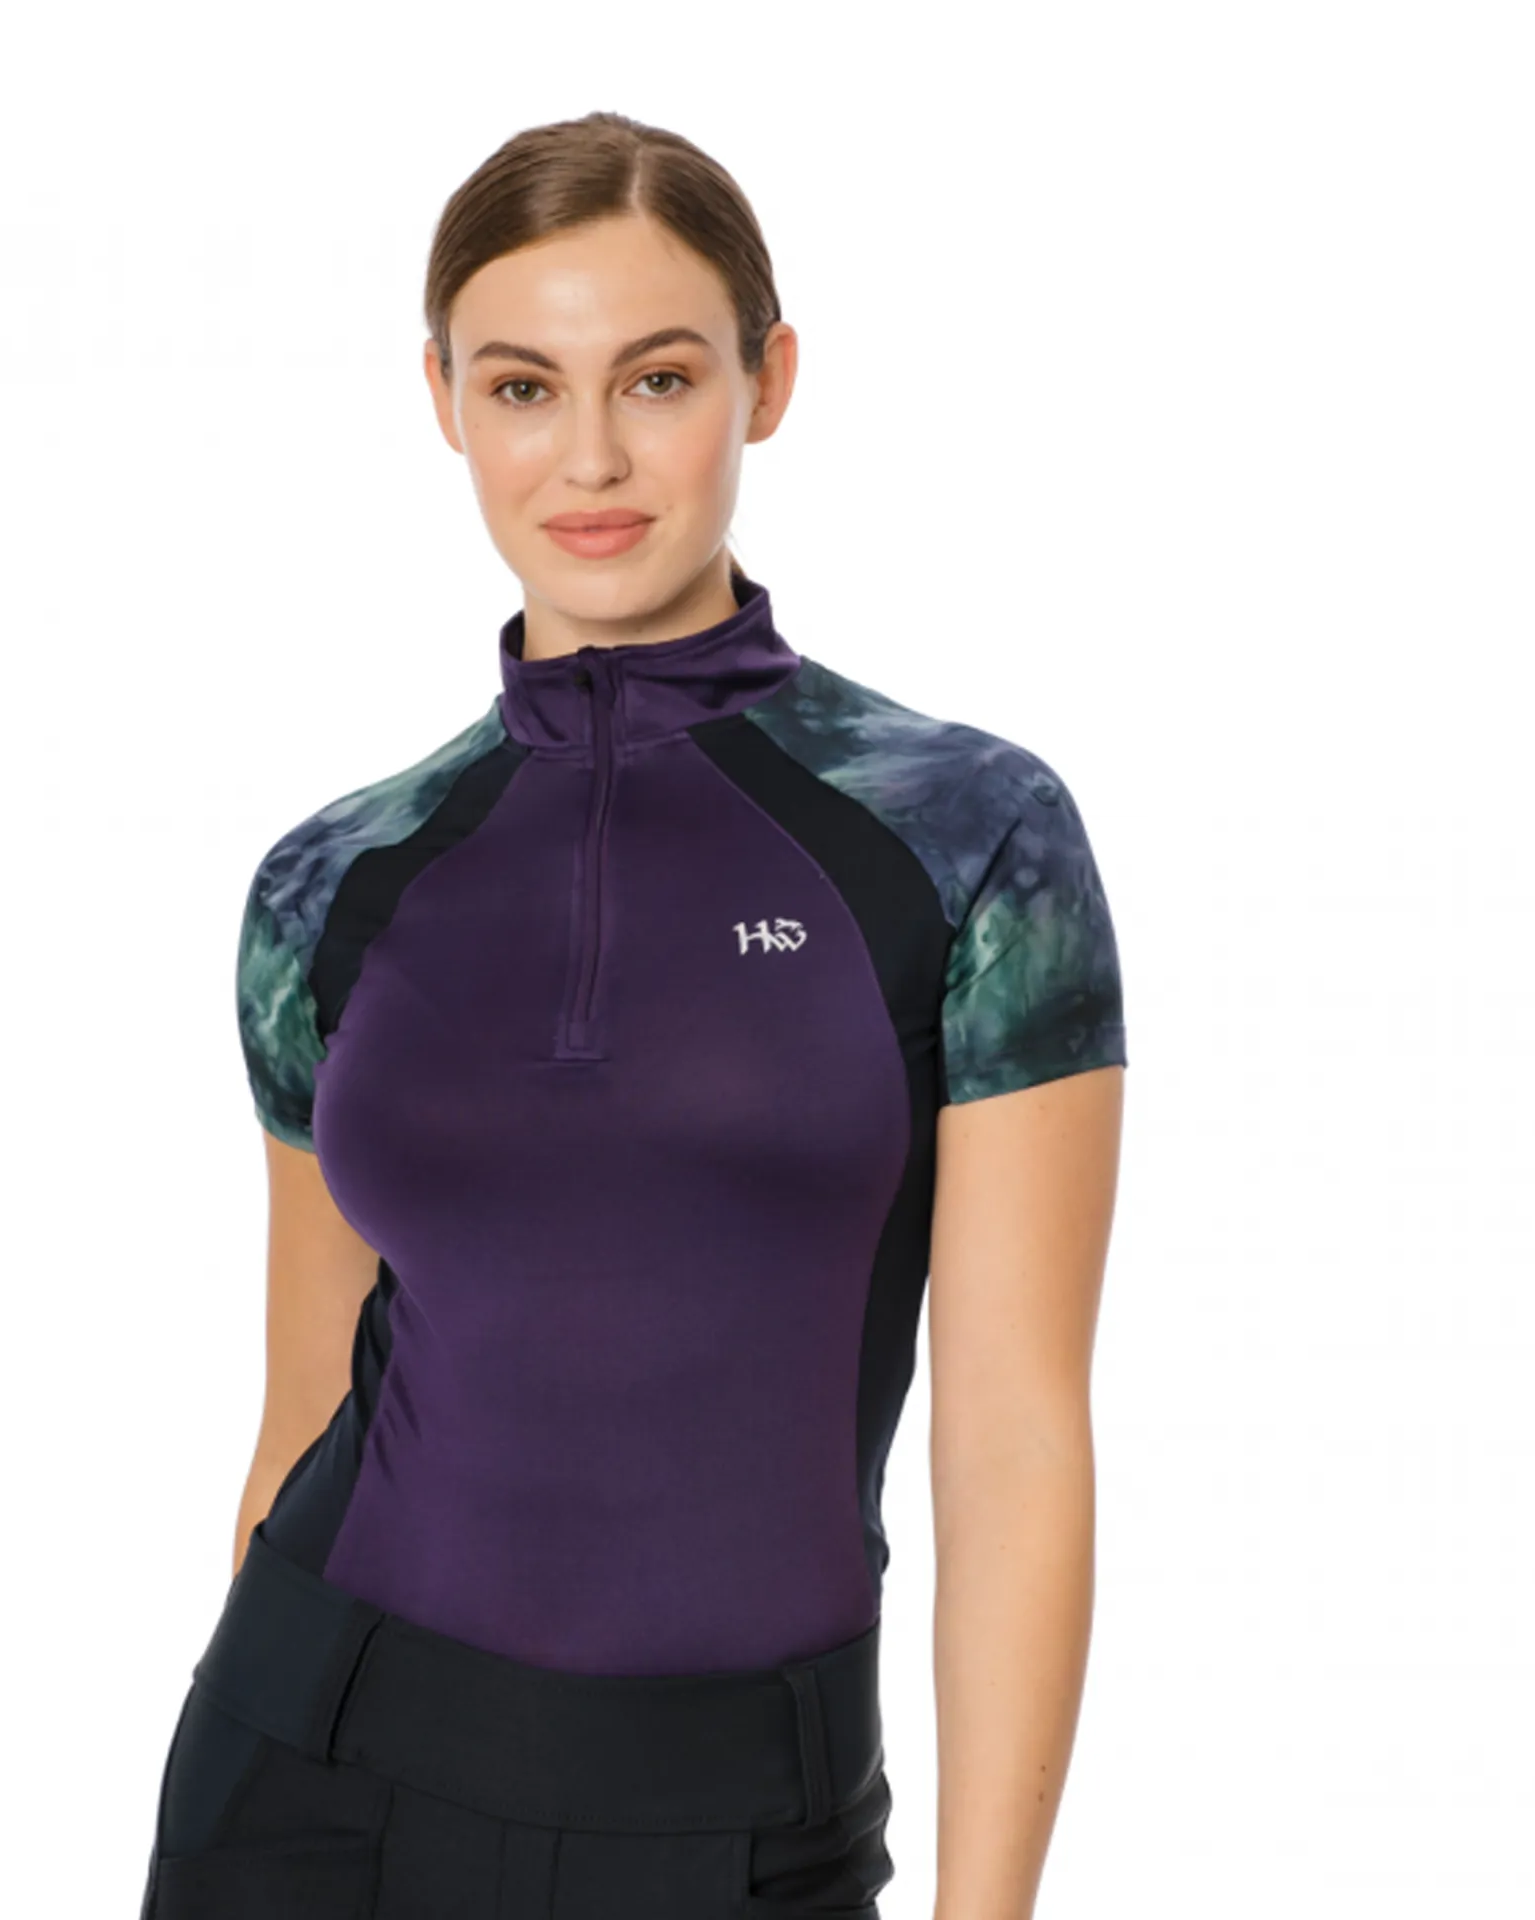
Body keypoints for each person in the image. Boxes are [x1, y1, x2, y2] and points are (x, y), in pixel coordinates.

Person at [138, 109, 1126, 1920]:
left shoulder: (968, 836)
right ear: (445, 401)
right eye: (522, 387)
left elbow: (1014, 1438)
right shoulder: (331, 882)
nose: (588, 456)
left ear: (768, 380)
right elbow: (302, 1411)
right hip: (310, 1788)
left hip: (735, 1825)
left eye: (657, 379)